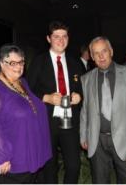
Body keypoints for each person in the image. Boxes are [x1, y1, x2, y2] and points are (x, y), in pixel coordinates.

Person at [80, 36, 126, 183]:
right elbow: (85, 110)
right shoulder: (86, 79)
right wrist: (83, 135)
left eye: (104, 51)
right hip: (96, 141)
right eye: (96, 53)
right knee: (100, 181)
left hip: (125, 139)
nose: (100, 56)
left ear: (111, 51)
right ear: (91, 56)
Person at [0, 44, 52, 184]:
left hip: (33, 152)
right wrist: (2, 157)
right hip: (14, 160)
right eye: (12, 63)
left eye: (21, 62)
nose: (18, 67)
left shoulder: (22, 82)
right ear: (1, 63)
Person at [26, 21, 83, 183]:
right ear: (48, 39)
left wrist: (79, 97)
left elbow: (82, 89)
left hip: (70, 121)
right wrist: (47, 97)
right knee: (49, 167)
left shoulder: (75, 63)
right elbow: (27, 90)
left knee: (74, 165)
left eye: (64, 36)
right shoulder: (39, 61)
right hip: (46, 121)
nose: (61, 40)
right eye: (56, 36)